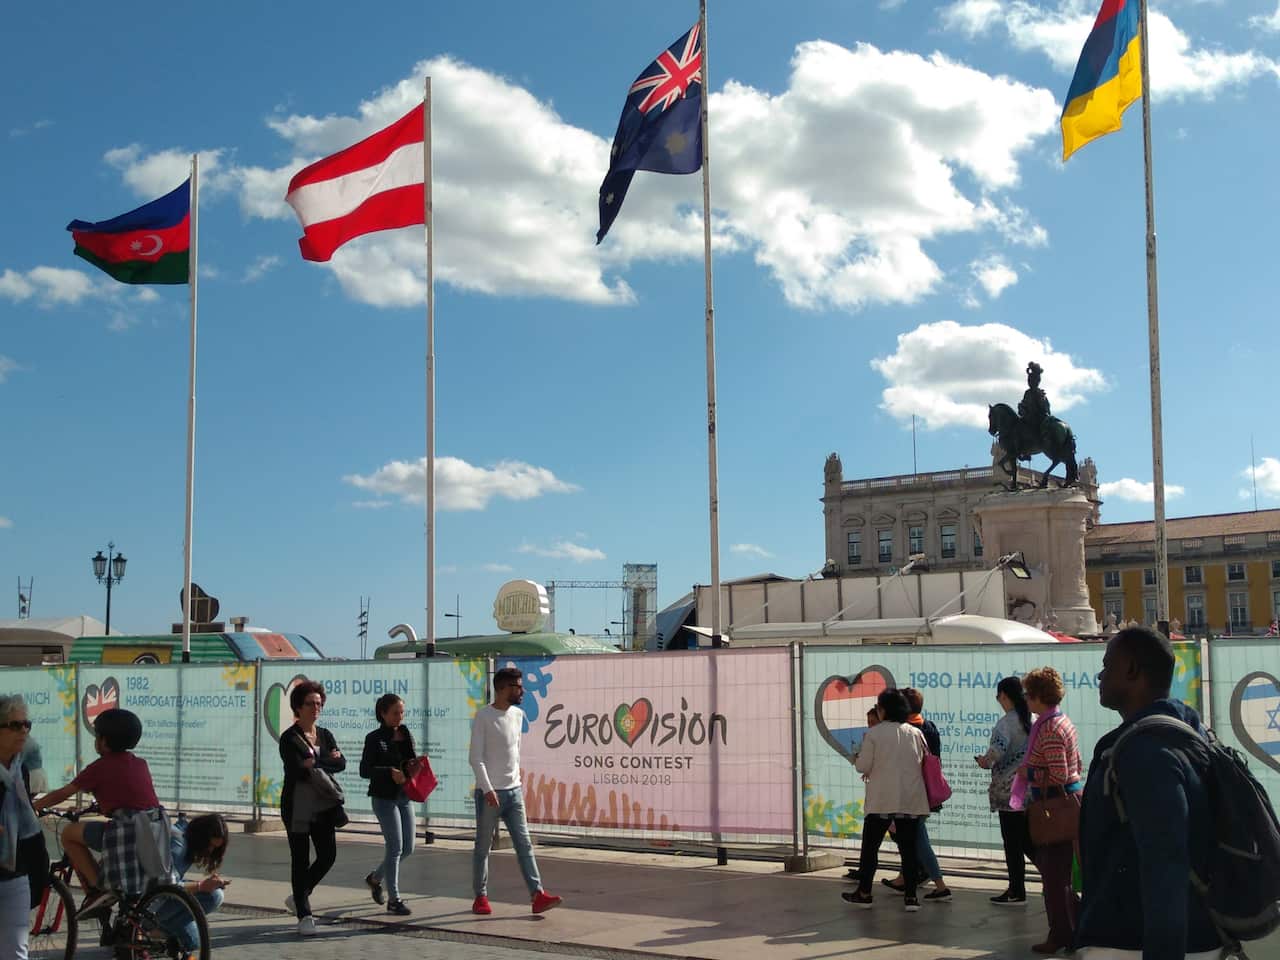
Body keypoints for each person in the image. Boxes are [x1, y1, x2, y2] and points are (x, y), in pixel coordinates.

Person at [1075, 627, 1220, 960]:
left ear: (1131, 670)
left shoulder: (1148, 752)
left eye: (1107, 666)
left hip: (1133, 941)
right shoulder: (1189, 735)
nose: (1100, 676)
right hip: (1185, 935)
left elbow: (1165, 863)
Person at [36, 707, 160, 920]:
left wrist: (34, 806)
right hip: (154, 828)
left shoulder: (100, 767)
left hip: (127, 832)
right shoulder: (140, 764)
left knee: (69, 833)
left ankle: (98, 889)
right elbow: (130, 796)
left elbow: (63, 793)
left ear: (103, 741)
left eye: (96, 736)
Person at [469, 666, 562, 916]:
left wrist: (517, 781)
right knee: (482, 847)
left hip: (514, 791)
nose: (522, 691)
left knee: (524, 844)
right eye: (518, 687)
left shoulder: (518, 715)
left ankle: (537, 894)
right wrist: (487, 788)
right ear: (502, 689)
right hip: (490, 794)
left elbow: (514, 752)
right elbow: (475, 758)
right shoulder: (483, 717)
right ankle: (480, 896)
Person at [1012, 667, 1083, 955]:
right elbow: (1076, 763)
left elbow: (1058, 774)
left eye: (1028, 694)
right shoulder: (1060, 720)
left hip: (1054, 807)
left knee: (1054, 878)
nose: (1026, 699)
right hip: (1066, 803)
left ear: (1039, 696)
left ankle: (1061, 934)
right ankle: (1072, 929)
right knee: (1061, 876)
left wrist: (1027, 772)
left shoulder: (1050, 728)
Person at [840, 688, 930, 912]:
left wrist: (856, 758)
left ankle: (864, 892)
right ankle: (911, 897)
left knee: (871, 847)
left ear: (883, 710)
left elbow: (863, 766)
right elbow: (922, 761)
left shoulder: (874, 734)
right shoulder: (915, 733)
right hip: (910, 798)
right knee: (908, 850)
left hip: (881, 799)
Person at [279, 680, 346, 937]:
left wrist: (316, 762)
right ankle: (304, 914)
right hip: (297, 805)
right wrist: (326, 760)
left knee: (328, 855)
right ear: (298, 706)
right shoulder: (289, 738)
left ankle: (300, 894)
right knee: (300, 858)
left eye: (319, 703)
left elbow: (341, 764)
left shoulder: (325, 735)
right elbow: (297, 768)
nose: (316, 708)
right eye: (310, 703)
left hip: (324, 805)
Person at [883, 688, 952, 903]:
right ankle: (905, 877)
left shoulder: (907, 731)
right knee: (910, 836)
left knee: (918, 838)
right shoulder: (928, 727)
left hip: (912, 792)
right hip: (925, 790)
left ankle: (940, 885)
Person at [359, 693, 419, 916]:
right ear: (383, 714)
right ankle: (394, 899)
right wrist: (388, 772)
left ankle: (375, 878)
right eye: (395, 713)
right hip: (384, 797)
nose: (399, 717)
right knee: (395, 847)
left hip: (404, 796)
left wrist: (416, 767)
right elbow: (365, 770)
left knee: (408, 847)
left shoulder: (405, 734)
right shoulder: (374, 738)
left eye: (402, 712)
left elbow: (410, 761)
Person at [976, 675, 1033, 905]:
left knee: (1012, 842)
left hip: (1009, 791)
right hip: (1030, 789)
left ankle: (1016, 890)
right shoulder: (1033, 718)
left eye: (998, 696)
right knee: (1028, 840)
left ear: (1004, 696)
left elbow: (996, 753)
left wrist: (984, 761)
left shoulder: (1006, 723)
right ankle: (1053, 879)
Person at [0, 694, 43, 960]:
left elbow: (26, 822)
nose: (24, 731)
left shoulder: (20, 769)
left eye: (26, 724)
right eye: (15, 725)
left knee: (16, 951)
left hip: (16, 871)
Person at [152, 813, 230, 954]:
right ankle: (155, 928)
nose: (210, 851)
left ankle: (163, 931)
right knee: (215, 896)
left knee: (193, 941)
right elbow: (166, 888)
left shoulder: (184, 837)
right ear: (201, 837)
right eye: (210, 845)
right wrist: (201, 886)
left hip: (158, 899)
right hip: (151, 907)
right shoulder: (178, 846)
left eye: (215, 848)